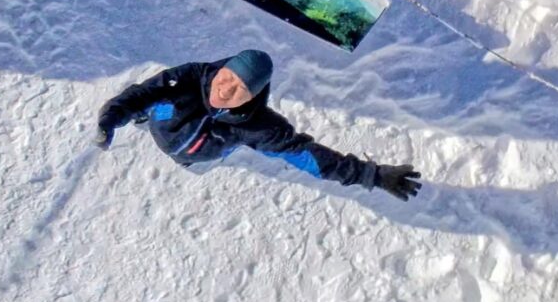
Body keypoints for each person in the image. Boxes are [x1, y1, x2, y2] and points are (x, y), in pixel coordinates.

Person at [95, 49, 420, 199]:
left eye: (239, 88)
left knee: (195, 160)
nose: (225, 90)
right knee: (153, 108)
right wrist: (113, 116)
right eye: (225, 78)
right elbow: (143, 93)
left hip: (195, 156)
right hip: (159, 124)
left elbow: (307, 156)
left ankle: (188, 161)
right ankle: (144, 122)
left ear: (252, 95)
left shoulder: (259, 126)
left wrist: (371, 175)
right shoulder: (189, 77)